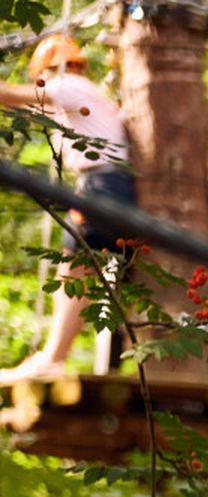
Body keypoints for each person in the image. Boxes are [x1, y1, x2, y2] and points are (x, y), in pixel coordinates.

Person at [0, 33, 132, 383]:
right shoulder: (87, 93)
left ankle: (54, 358)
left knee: (75, 271)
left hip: (100, 187)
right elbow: (24, 105)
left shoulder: (67, 85)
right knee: (86, 273)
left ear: (48, 69)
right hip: (112, 187)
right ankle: (57, 357)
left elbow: (9, 95)